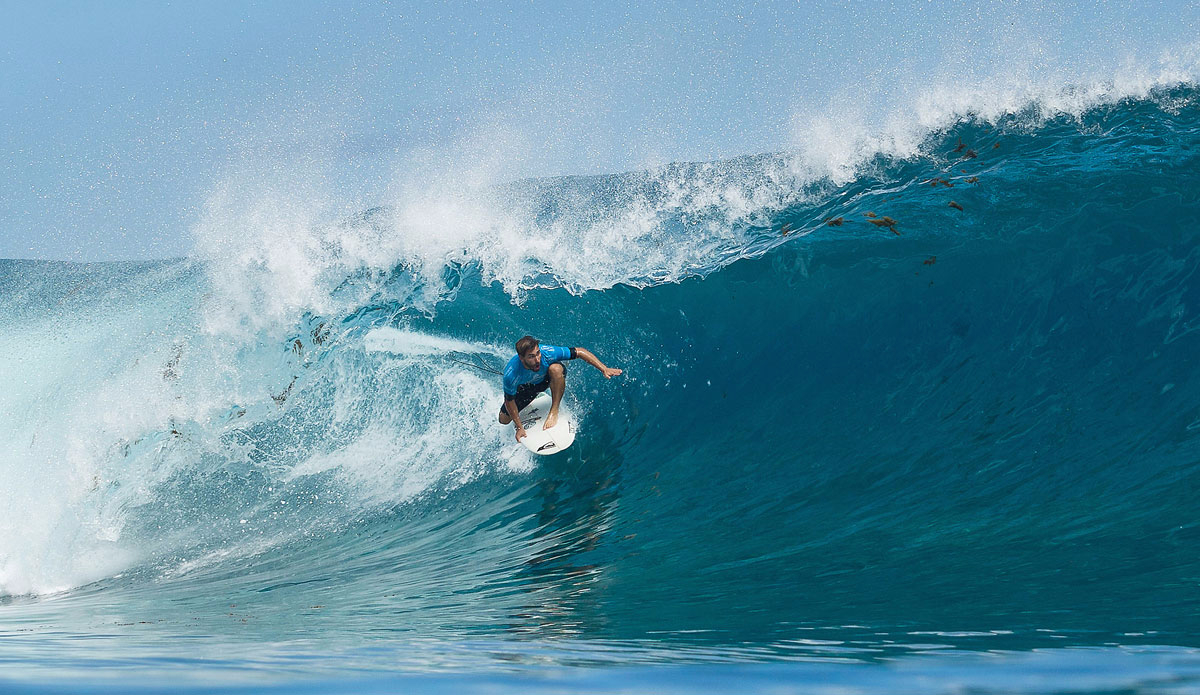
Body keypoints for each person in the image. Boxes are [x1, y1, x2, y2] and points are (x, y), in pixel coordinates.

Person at [498, 335, 622, 442]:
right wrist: (520, 427)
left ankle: (554, 409)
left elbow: (579, 352)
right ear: (521, 357)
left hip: (547, 379)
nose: (537, 359)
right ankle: (535, 396)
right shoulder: (512, 374)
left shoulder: (548, 352)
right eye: (531, 357)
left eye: (538, 353)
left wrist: (604, 369)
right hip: (526, 387)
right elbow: (509, 400)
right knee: (503, 419)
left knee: (556, 368)